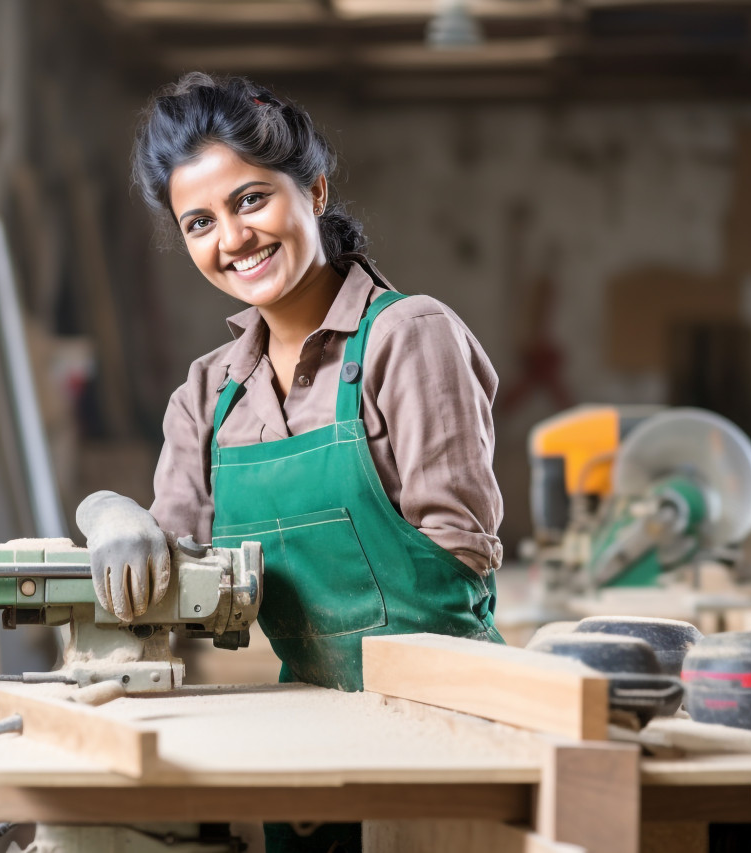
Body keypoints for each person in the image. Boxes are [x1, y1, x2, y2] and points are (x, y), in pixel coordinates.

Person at [76, 72, 504, 852]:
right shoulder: (208, 393)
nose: (232, 239)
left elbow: (457, 551)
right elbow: (175, 576)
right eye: (199, 221)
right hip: (304, 736)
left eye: (250, 200)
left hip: (451, 735)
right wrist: (110, 515)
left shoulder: (408, 336)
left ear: (314, 187)